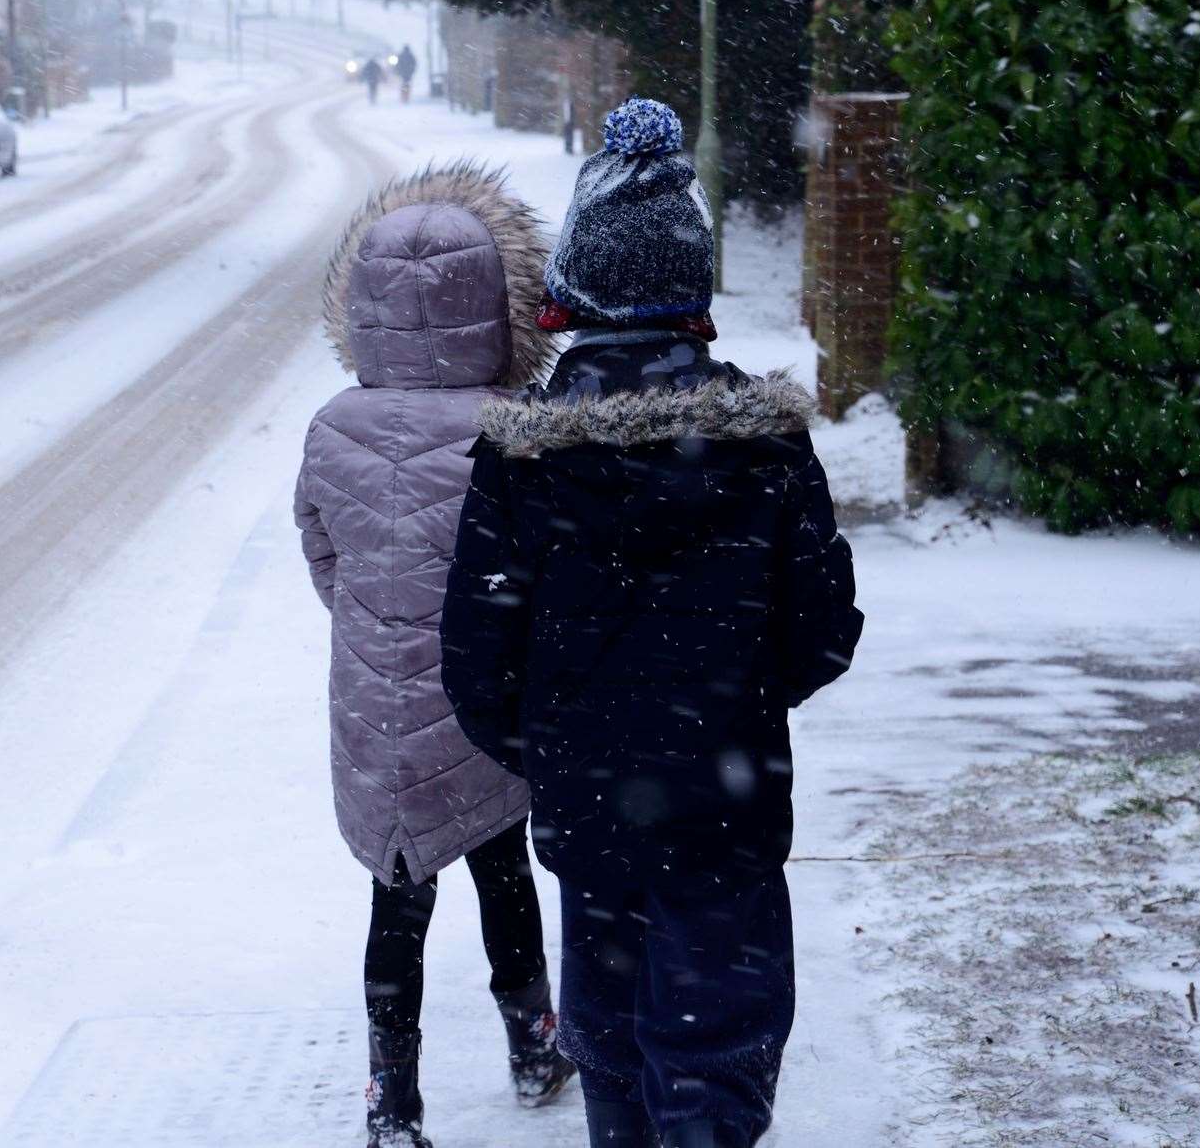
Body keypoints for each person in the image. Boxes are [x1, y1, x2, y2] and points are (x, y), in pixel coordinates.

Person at [441, 98, 864, 1148]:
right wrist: (732, 706)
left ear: (573, 294)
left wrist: (558, 740)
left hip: (590, 812)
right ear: (692, 292)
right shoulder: (764, 447)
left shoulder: (523, 457)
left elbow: (474, 656)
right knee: (714, 1046)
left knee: (617, 1041)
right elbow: (822, 629)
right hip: (725, 805)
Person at [294, 163, 577, 1148]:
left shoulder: (332, 429)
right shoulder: (515, 431)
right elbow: (547, 569)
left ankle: (392, 1099)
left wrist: (378, 626)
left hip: (378, 714)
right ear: (498, 305)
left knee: (395, 894)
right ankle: (534, 1041)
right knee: (505, 874)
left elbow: (321, 551)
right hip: (486, 704)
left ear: (360, 309)